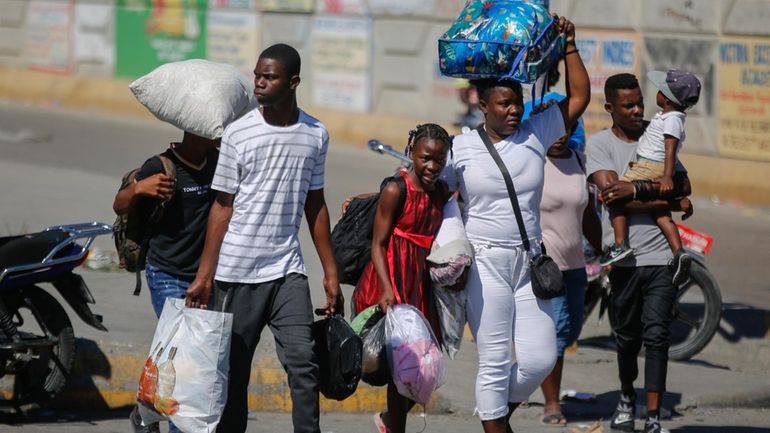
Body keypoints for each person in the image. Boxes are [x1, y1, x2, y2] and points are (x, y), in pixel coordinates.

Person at [440, 16, 590, 433]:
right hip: (485, 265)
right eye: (503, 104)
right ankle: (495, 424)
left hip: (530, 263)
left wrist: (570, 44)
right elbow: (430, 190)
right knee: (493, 359)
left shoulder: (537, 132)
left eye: (517, 102)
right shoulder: (461, 148)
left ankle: (493, 413)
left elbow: (580, 96)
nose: (513, 110)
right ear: (482, 105)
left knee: (541, 357)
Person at [184, 43, 344, 433]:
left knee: (304, 366)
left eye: (268, 76)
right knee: (234, 376)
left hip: (287, 270)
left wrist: (330, 271)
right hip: (237, 273)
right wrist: (205, 275)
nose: (258, 82)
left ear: (293, 82)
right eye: (257, 74)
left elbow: (316, 204)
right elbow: (221, 207)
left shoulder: (316, 134)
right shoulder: (239, 134)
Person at [585, 73, 694, 433]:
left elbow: (682, 188)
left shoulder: (660, 131)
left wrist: (634, 189)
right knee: (628, 337)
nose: (636, 111)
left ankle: (653, 417)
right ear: (610, 108)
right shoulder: (599, 144)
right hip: (624, 262)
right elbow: (610, 195)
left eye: (639, 103)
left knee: (657, 335)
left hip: (660, 258)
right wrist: (652, 195)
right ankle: (627, 396)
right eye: (628, 105)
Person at [113, 132, 219, 433]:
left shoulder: (216, 162)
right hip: (167, 274)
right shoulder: (160, 166)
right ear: (193, 130)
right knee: (185, 359)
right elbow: (119, 205)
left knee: (191, 359)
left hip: (204, 276)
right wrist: (139, 188)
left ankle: (146, 412)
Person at [351, 124, 453, 433]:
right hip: (390, 281)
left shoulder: (441, 191)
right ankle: (394, 427)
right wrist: (386, 288)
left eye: (440, 160)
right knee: (400, 366)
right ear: (411, 153)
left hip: (419, 285)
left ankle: (388, 422)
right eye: (425, 158)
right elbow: (378, 244)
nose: (432, 167)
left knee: (422, 369)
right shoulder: (398, 189)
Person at [602, 70, 701, 286]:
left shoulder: (672, 119)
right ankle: (679, 252)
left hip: (653, 167)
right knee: (662, 214)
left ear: (666, 98)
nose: (638, 109)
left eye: (659, 90)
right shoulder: (669, 117)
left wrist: (666, 176)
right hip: (648, 165)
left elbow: (669, 149)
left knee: (614, 197)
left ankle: (620, 245)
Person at [536, 129, 603, 426]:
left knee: (573, 330)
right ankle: (552, 404)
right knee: (558, 333)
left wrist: (602, 248)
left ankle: (525, 374)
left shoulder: (579, 161)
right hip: (546, 265)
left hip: (576, 263)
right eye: (553, 130)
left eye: (566, 130)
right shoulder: (533, 163)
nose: (559, 137)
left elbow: (587, 212)